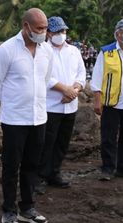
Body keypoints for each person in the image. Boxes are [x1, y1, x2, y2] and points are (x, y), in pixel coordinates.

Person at [0, 8, 52, 223]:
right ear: (26, 27)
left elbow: (45, 79)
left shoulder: (46, 51)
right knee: (11, 166)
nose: (44, 33)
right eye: (39, 29)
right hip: (15, 119)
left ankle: (28, 208)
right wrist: (15, 102)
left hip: (39, 117)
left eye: (45, 28)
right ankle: (8, 210)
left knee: (32, 165)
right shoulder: (6, 50)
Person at [36, 16, 86, 193]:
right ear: (49, 33)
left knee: (62, 142)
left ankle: (54, 173)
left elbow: (81, 73)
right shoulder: (42, 50)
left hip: (70, 105)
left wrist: (74, 91)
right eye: (57, 31)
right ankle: (39, 177)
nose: (61, 34)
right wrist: (64, 89)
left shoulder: (74, 51)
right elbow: (45, 76)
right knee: (46, 142)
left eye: (63, 31)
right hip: (52, 105)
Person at [90, 18, 123, 181]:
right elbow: (97, 77)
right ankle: (108, 167)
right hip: (111, 102)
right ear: (118, 35)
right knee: (108, 136)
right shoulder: (106, 52)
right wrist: (97, 100)